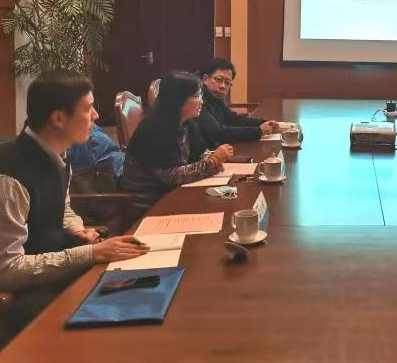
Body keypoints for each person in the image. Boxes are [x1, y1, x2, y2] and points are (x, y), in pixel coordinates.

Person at [0, 71, 148, 334]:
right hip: (29, 295)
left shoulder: (59, 155)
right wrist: (90, 253)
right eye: (88, 108)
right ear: (59, 118)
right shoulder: (11, 176)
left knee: (139, 287)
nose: (96, 116)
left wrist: (78, 230)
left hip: (57, 269)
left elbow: (63, 208)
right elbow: (7, 270)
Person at [123, 71, 233, 211]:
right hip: (150, 204)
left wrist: (210, 159)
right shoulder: (155, 128)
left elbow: (198, 154)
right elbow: (171, 176)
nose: (201, 101)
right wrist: (213, 161)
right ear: (177, 99)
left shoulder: (186, 123)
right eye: (196, 96)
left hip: (174, 193)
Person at [196, 58, 279, 146]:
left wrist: (262, 123)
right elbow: (217, 133)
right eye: (219, 80)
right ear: (205, 79)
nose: (223, 86)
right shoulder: (197, 99)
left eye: (227, 82)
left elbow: (232, 118)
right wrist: (259, 131)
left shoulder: (216, 96)